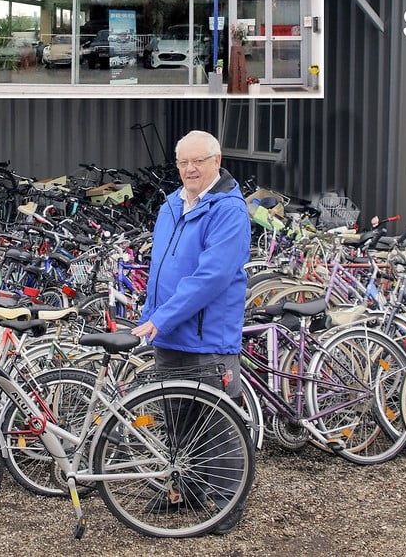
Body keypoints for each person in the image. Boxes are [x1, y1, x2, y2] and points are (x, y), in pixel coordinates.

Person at [131, 129, 251, 536]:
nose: (190, 169)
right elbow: (160, 270)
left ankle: (227, 501)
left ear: (216, 161)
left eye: (197, 161)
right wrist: (152, 314)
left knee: (218, 426)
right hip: (169, 338)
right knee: (177, 422)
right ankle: (183, 489)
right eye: (183, 162)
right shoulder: (171, 205)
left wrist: (162, 317)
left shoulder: (229, 211)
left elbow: (210, 277)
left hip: (207, 340)